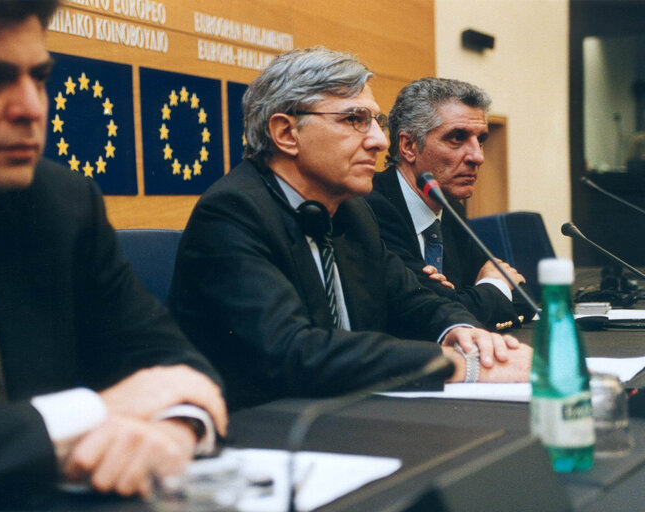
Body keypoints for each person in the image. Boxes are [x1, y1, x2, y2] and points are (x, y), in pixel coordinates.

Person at [0, 1, 227, 509]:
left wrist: (174, 428)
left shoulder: (60, 205)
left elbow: (173, 368)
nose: (32, 108)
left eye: (40, 77)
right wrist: (86, 413)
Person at [167, 47, 532, 411]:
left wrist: (464, 335)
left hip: (350, 411)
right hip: (265, 428)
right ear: (286, 133)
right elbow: (296, 350)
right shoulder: (232, 213)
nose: (379, 141)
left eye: (377, 122)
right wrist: (454, 364)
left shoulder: (352, 211)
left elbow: (412, 301)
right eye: (355, 120)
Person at [364, 77, 532, 331]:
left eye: (481, 139)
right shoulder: (371, 207)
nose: (478, 157)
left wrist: (482, 293)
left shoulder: (449, 208)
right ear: (409, 146)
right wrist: (494, 287)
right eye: (457, 138)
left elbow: (522, 298)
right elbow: (426, 315)